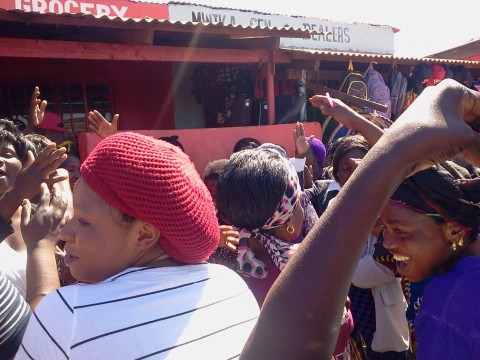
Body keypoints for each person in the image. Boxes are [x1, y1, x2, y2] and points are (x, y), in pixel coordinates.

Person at [239, 79, 480, 359]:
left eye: (400, 231)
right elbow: (413, 167)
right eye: (382, 226)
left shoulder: (451, 306)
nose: (385, 241)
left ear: (452, 227)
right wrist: (354, 119)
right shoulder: (451, 269)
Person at [16, 132, 259, 359]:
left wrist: (40, 247)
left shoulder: (68, 313)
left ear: (143, 235)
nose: (65, 232)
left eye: (83, 221)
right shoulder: (230, 285)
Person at [216, 147, 353, 359]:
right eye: (298, 200)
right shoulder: (311, 269)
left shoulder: (220, 268)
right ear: (286, 219)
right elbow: (337, 340)